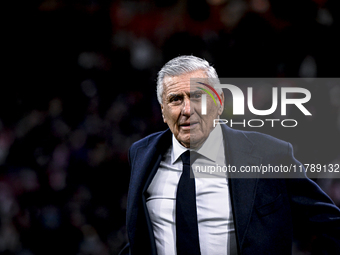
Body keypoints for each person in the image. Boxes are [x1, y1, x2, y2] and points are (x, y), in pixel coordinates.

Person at [120, 55, 340, 255]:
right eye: (176, 99)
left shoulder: (269, 154)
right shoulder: (142, 154)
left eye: (197, 96)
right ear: (162, 110)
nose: (187, 109)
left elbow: (330, 223)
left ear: (219, 102)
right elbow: (144, 236)